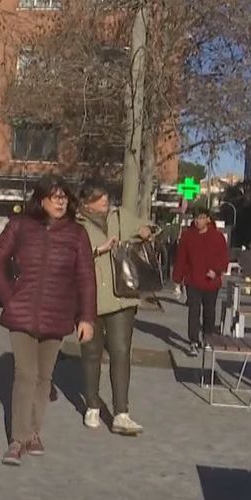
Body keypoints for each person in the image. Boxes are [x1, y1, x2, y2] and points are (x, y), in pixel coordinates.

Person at [0, 175, 95, 466]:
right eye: (54, 196)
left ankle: (34, 432)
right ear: (41, 199)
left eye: (64, 197)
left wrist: (86, 317)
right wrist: (10, 298)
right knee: (25, 373)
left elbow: (86, 277)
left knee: (44, 377)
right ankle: (17, 439)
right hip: (22, 313)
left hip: (58, 313)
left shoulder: (77, 234)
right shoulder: (20, 226)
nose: (60, 202)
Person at [75, 182, 144, 436]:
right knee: (91, 354)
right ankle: (92, 404)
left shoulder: (118, 216)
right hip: (89, 300)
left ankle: (121, 412)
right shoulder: (77, 225)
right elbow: (70, 256)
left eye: (106, 196)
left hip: (121, 297)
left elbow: (143, 228)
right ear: (85, 202)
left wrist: (146, 231)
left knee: (121, 352)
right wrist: (97, 250)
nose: (105, 200)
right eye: (98, 197)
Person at [172, 208, 229, 357]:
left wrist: (216, 271)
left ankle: (207, 337)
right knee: (194, 311)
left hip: (211, 282)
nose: (198, 221)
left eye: (202, 218)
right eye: (196, 218)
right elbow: (181, 259)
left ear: (208, 220)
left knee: (209, 312)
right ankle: (193, 341)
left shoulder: (217, 237)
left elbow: (223, 258)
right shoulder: (187, 236)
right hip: (192, 281)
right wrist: (177, 281)